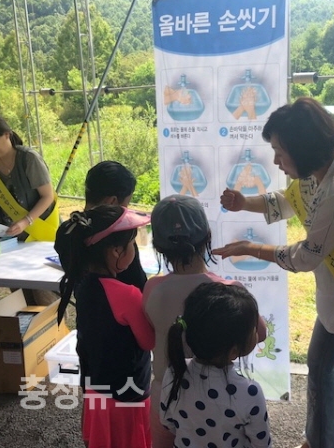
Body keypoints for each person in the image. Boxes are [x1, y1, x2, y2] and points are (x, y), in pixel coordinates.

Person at [213, 97, 334, 448]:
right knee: (319, 364)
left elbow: (305, 256)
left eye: (280, 152)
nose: (276, 161)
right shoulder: (320, 172)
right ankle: (318, 441)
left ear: (303, 148)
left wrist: (251, 248)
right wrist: (244, 202)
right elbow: (289, 201)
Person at [142, 194, 266, 448]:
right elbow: (259, 333)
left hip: (165, 391)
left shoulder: (153, 288)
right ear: (208, 236)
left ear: (158, 246)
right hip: (221, 399)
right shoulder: (228, 292)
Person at [54, 205, 154, 448]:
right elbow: (149, 341)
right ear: (116, 251)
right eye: (132, 244)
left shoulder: (82, 284)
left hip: (97, 390)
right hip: (128, 397)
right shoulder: (128, 295)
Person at [160, 282, 271, 447]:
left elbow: (167, 422)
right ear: (233, 351)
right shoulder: (249, 392)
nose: (256, 333)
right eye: (253, 329)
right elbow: (261, 444)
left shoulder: (174, 373)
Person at [0, 112, 59, 305]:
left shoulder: (29, 159)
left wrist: (26, 221)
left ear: (6, 134)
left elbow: (47, 196)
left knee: (43, 297)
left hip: (38, 235)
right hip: (8, 239)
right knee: (20, 296)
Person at [84, 160, 147, 291]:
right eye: (126, 204)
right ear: (112, 202)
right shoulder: (120, 236)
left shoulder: (71, 229)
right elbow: (140, 285)